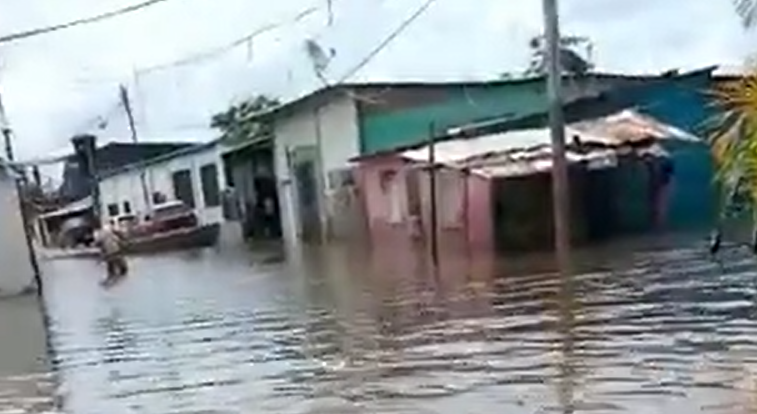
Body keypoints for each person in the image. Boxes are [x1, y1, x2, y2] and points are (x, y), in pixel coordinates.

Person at [93, 221, 128, 286]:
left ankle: (112, 275)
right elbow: (118, 234)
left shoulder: (99, 233)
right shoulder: (109, 229)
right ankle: (122, 270)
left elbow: (98, 242)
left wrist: (95, 244)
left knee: (111, 263)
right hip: (115, 247)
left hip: (108, 250)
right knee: (118, 259)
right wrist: (121, 241)